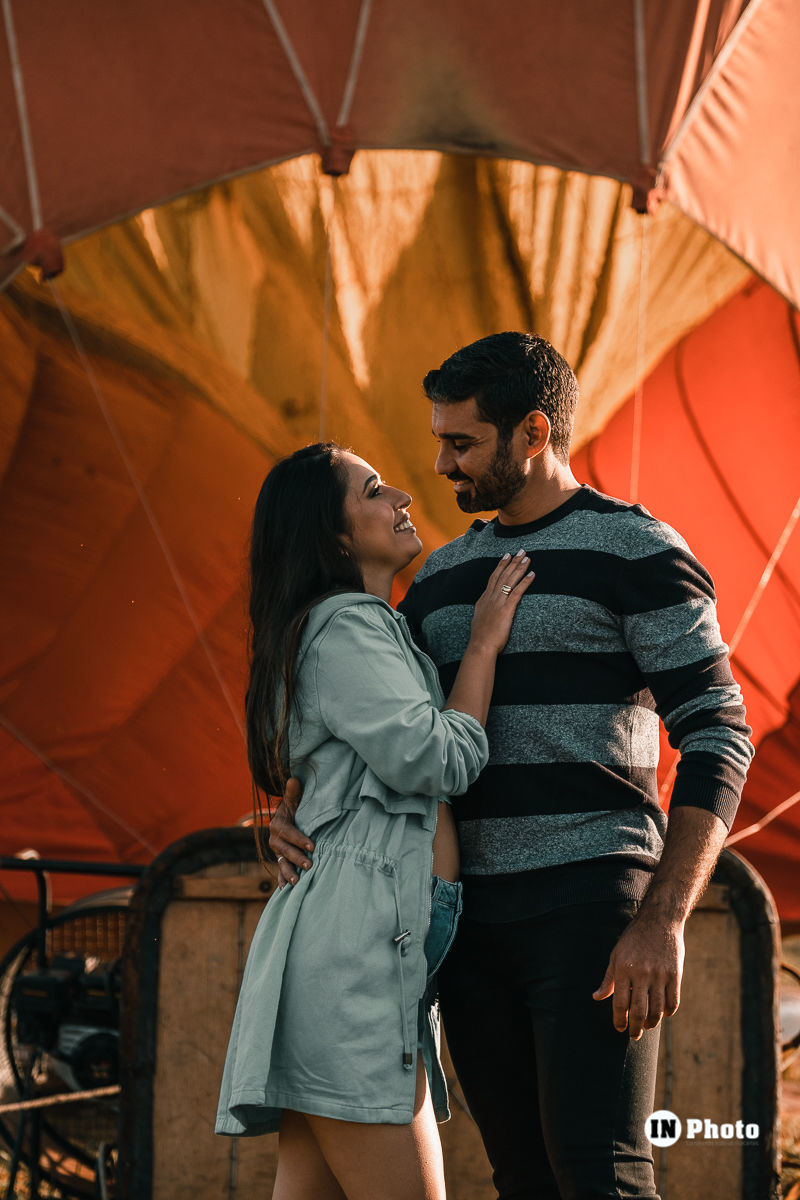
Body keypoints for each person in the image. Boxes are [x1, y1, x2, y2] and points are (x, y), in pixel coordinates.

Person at [269, 334, 755, 1200]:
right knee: (522, 1180)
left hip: (591, 908)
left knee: (601, 1176)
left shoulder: (638, 549)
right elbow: (381, 739)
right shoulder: (439, 582)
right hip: (464, 927)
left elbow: (718, 732)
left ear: (534, 434)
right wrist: (287, 810)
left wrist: (661, 919)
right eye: (439, 440)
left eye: (463, 443)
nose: (441, 465)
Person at [215, 441, 535, 1200]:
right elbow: (437, 760)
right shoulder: (349, 626)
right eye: (373, 491)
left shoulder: (352, 628)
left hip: (356, 954)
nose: (402, 497)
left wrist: (297, 808)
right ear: (331, 535)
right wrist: (485, 645)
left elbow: (334, 765)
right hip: (352, 965)